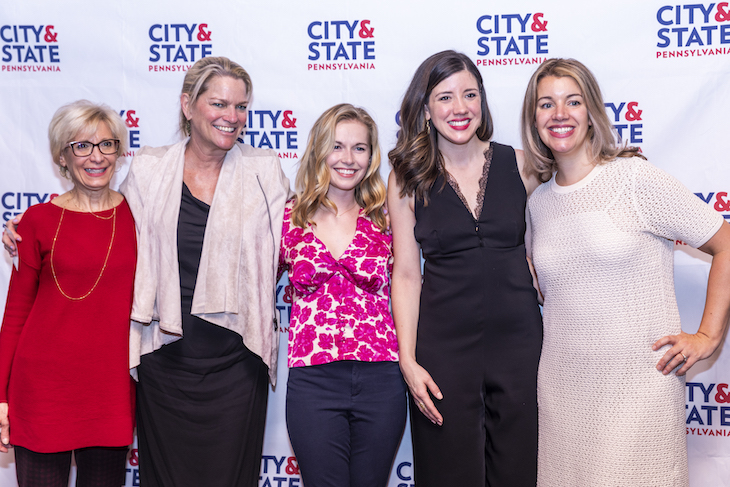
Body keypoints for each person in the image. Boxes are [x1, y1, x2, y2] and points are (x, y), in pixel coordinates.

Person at [521, 57, 730, 486]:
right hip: (563, 393)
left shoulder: (634, 179)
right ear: (533, 118)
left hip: (638, 393)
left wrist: (708, 336)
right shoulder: (537, 202)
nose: (560, 114)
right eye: (546, 104)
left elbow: (724, 242)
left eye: (572, 101)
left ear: (592, 111)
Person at [118, 56, 289, 486]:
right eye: (219, 104)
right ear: (187, 105)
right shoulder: (149, 169)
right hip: (165, 355)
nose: (232, 117)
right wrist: (26, 228)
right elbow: (109, 232)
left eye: (241, 106)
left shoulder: (264, 172)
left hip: (237, 357)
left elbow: (303, 238)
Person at [387, 50, 543, 487]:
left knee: (520, 470)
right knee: (447, 472)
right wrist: (407, 358)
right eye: (445, 97)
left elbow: (544, 247)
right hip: (443, 351)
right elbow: (405, 274)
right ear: (425, 108)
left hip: (520, 346)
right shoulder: (406, 176)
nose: (460, 108)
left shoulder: (524, 165)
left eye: (469, 95)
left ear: (483, 101)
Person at [0, 100, 135, 486]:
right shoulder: (38, 221)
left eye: (107, 145)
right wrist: (1, 396)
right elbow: (15, 314)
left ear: (119, 152)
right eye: (82, 146)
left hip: (109, 393)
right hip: (42, 392)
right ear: (62, 156)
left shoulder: (138, 215)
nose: (96, 157)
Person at [279, 104, 406, 487]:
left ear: (371, 156)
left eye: (359, 148)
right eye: (337, 146)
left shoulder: (387, 218)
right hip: (312, 381)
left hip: (381, 378)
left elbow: (411, 283)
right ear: (319, 151)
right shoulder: (289, 217)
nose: (348, 159)